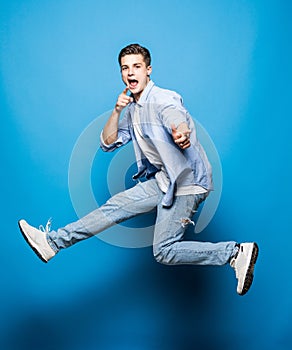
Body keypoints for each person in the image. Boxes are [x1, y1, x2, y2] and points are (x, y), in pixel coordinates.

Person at [18, 43, 258, 296]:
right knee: (115, 206)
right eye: (125, 68)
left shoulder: (162, 98)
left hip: (187, 183)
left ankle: (235, 253)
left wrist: (180, 131)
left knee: (164, 251)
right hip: (165, 181)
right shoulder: (133, 109)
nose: (130, 73)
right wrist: (117, 110)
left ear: (148, 70)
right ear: (121, 74)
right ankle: (53, 243)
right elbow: (107, 143)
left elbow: (175, 115)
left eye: (136, 67)